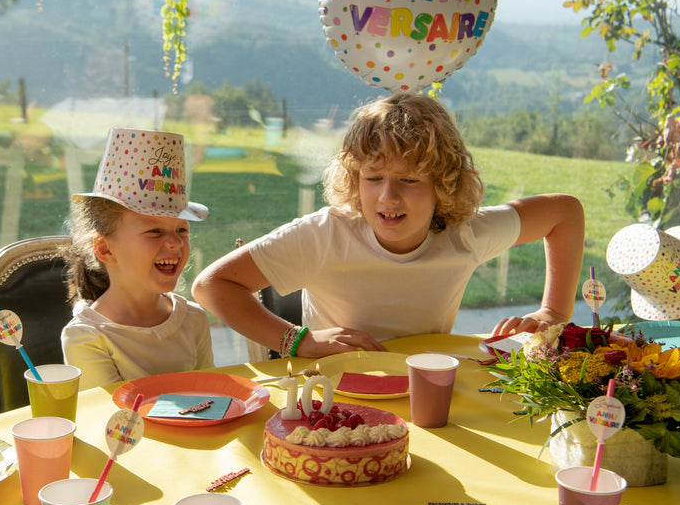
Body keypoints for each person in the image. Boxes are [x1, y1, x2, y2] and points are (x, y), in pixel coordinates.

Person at [192, 92, 585, 359]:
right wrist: (298, 340)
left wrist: (553, 312)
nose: (388, 197)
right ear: (353, 178)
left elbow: (565, 213)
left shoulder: (464, 233)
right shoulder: (324, 234)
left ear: (443, 185)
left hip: (427, 387)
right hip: (337, 395)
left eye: (410, 180)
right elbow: (212, 286)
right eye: (373, 178)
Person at [62, 128, 214, 388]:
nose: (175, 242)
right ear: (106, 249)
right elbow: (114, 420)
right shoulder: (86, 337)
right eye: (154, 231)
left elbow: (214, 396)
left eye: (182, 230)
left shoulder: (193, 319)